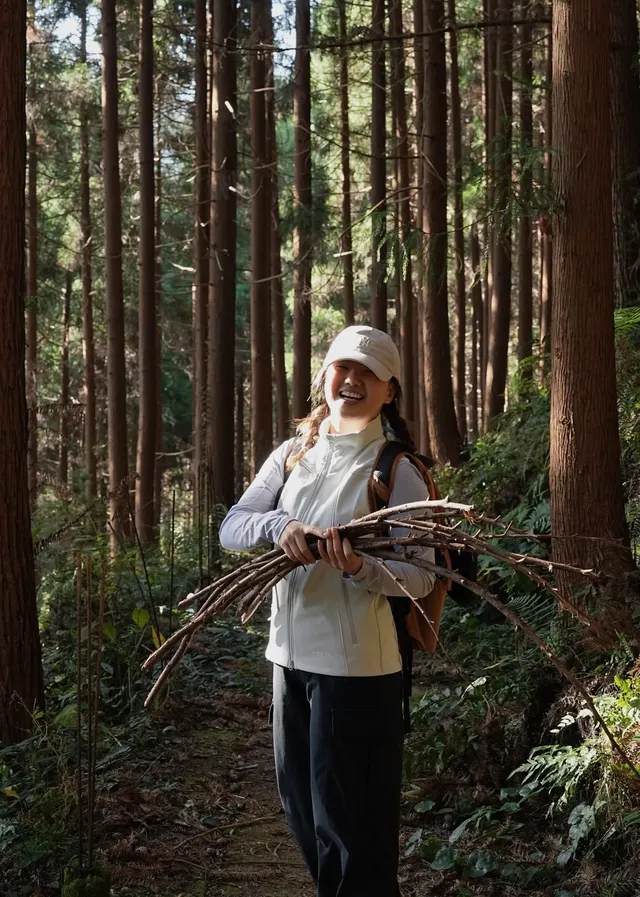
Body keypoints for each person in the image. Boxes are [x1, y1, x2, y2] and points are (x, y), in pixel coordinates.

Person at [219, 325, 435, 897]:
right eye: (343, 367)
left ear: (390, 391)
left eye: (369, 373)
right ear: (325, 377)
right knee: (301, 811)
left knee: (350, 835)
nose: (353, 380)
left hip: (358, 673)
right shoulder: (293, 455)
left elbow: (422, 574)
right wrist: (280, 526)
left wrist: (358, 568)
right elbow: (234, 526)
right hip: (288, 663)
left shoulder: (396, 469)